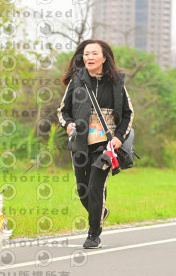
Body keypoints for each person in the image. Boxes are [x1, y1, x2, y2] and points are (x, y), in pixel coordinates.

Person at [57, 39, 134, 249]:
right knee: (83, 190)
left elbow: (128, 114)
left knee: (95, 186)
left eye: (94, 53)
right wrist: (68, 124)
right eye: (86, 54)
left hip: (106, 146)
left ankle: (93, 235)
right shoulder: (77, 81)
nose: (89, 57)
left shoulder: (117, 82)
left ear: (104, 58)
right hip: (81, 143)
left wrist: (119, 137)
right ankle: (100, 212)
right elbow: (63, 111)